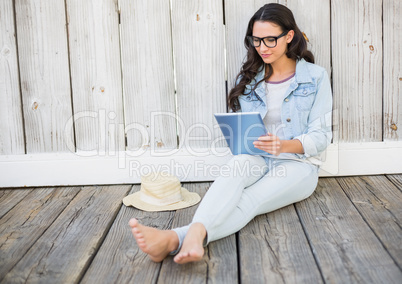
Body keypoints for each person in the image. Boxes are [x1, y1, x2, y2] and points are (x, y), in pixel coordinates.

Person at [129, 3, 332, 264]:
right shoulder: (249, 79)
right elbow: (247, 131)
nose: (263, 47)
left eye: (271, 39)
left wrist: (283, 145)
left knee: (250, 199)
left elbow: (321, 136)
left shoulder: (315, 77)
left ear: (289, 36)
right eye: (256, 40)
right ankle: (185, 237)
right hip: (257, 158)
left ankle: (176, 238)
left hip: (298, 164)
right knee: (233, 169)